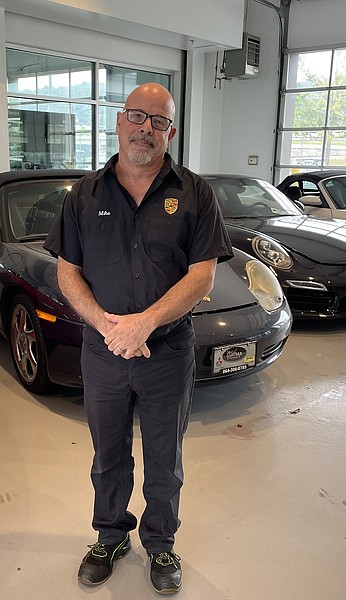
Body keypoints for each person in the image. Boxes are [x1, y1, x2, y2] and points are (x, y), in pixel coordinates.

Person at [43, 82, 233, 594]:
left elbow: (201, 277)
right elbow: (67, 273)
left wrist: (143, 323)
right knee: (108, 453)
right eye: (137, 116)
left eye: (158, 121)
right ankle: (109, 535)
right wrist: (110, 327)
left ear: (171, 132)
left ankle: (161, 542)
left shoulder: (196, 194)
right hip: (103, 352)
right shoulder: (83, 195)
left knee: (164, 455)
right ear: (120, 121)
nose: (145, 128)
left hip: (166, 352)